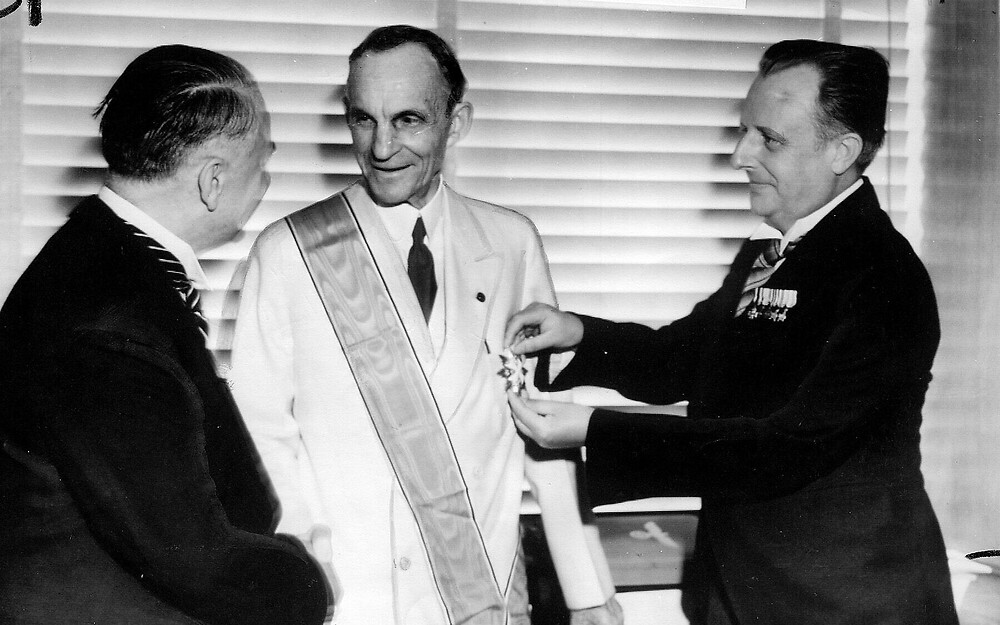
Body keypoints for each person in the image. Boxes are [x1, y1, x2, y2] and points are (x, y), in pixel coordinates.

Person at [505, 39, 959, 625]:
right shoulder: (773, 255)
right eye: (746, 132)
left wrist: (592, 429)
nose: (741, 155)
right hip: (744, 588)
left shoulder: (884, 276)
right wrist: (577, 338)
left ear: (842, 151)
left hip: (848, 600)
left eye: (769, 139)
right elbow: (681, 359)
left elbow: (786, 449)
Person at [229, 25, 620, 625]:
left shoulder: (511, 243)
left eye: (408, 120)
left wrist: (588, 591)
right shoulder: (288, 251)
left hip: (479, 591)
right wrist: (303, 568)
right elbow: (259, 435)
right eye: (363, 120)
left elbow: (544, 426)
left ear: (456, 122)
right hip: (346, 598)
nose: (381, 147)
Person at [0, 45, 332, 624]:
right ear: (212, 179)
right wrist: (315, 583)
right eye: (263, 161)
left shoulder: (105, 261)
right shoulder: (109, 321)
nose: (266, 181)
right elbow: (193, 562)